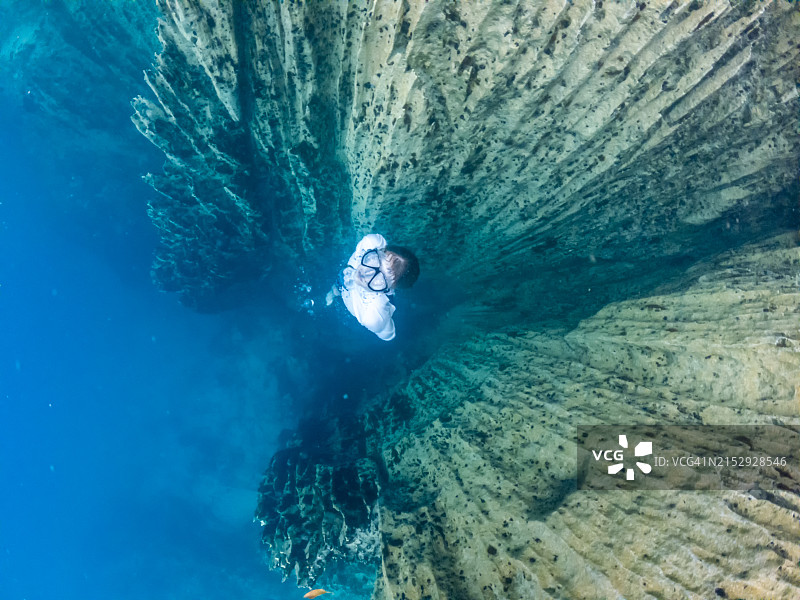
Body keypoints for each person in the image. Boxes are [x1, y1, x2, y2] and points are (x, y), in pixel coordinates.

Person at [325, 233, 420, 341]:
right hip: (344, 283)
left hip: (369, 313)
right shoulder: (369, 244)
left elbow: (388, 335)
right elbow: (378, 241)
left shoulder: (374, 315)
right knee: (341, 281)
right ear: (379, 250)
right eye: (376, 260)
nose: (366, 272)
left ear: (387, 289)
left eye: (381, 279)